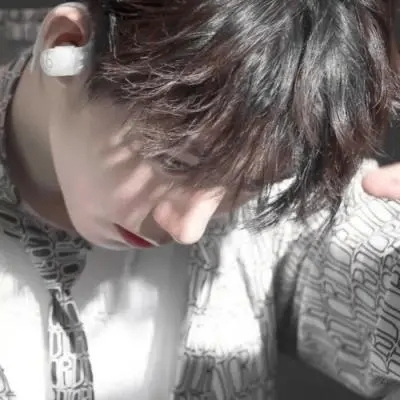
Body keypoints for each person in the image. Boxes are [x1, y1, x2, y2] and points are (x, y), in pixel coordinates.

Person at [0, 0, 400, 399]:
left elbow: (368, 257)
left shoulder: (277, 160)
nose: (189, 229)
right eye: (175, 161)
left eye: (251, 183)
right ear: (66, 46)